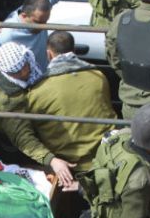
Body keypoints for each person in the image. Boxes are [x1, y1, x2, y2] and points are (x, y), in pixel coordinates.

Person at [25, 32, 116, 188]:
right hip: (103, 158)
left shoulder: (37, 91)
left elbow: (30, 131)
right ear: (73, 50)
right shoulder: (98, 76)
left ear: (48, 54)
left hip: (64, 168)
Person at [0, 0, 68, 80]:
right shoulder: (5, 35)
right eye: (38, 23)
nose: (43, 27)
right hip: (20, 88)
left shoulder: (41, 8)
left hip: (43, 80)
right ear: (24, 16)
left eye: (45, 22)